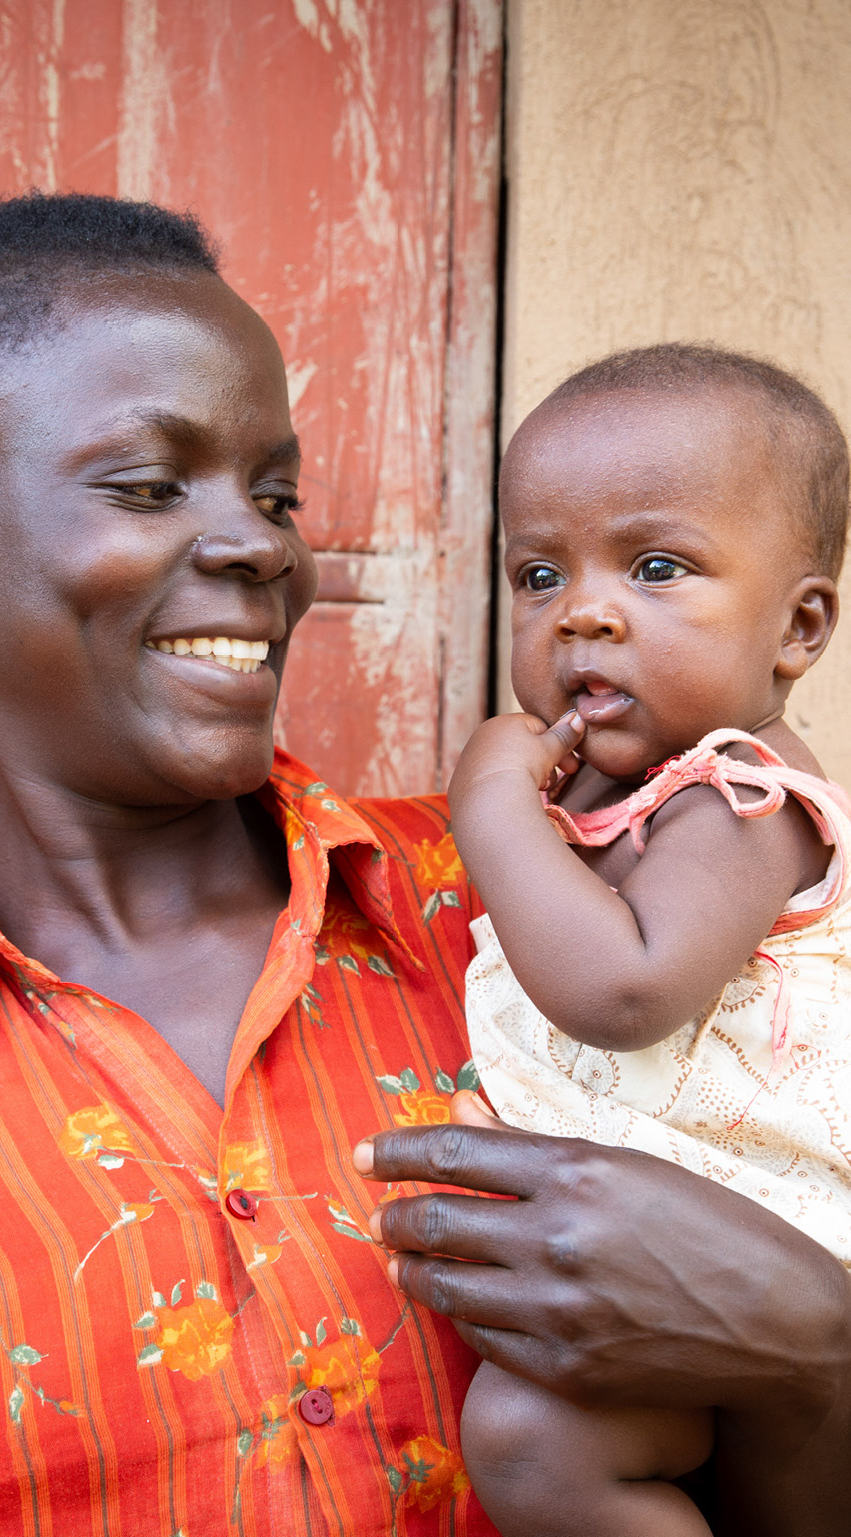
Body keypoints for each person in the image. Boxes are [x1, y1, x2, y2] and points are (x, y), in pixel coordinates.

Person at [0, 198, 845, 1537]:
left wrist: (819, 1352)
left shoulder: (538, 904)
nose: (265, 545)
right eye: (149, 484)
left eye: (274, 492)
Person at [445, 345, 851, 1535]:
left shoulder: (748, 796)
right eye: (536, 573)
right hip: (628, 1265)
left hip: (767, 1240)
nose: (581, 610)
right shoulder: (621, 803)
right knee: (528, 1441)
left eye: (656, 566)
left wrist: (491, 810)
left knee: (526, 1438)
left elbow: (621, 992)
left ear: (799, 625)